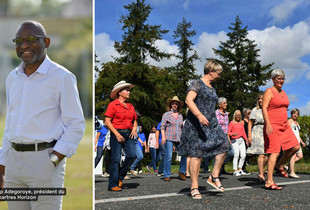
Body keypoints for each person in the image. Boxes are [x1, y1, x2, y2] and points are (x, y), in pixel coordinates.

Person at [0, 20, 85, 209]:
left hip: (44, 162)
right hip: (14, 164)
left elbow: (76, 123)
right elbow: (11, 124)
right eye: (18, 41)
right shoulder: (12, 78)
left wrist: (53, 160)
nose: (24, 46)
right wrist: (2, 165)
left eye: (31, 39)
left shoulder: (62, 77)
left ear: (46, 42)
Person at [179, 60, 229, 199]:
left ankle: (214, 176)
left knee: (225, 145)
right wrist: (199, 115)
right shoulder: (197, 83)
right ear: (211, 71)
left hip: (211, 123)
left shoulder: (213, 88)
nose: (219, 76)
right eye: (218, 73)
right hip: (196, 124)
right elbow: (189, 100)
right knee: (196, 155)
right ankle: (194, 187)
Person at [262, 69, 300, 190]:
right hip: (272, 125)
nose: (281, 81)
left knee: (295, 146)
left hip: (284, 125)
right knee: (274, 152)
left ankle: (280, 165)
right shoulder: (269, 91)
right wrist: (267, 124)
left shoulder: (283, 92)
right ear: (273, 79)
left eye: (282, 79)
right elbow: (264, 108)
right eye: (278, 78)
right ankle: (269, 181)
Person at [104, 80, 137, 191]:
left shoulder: (131, 106)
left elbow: (135, 119)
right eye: (127, 90)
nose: (129, 92)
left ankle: (120, 175)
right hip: (116, 133)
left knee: (132, 155)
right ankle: (112, 184)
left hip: (129, 134)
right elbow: (107, 121)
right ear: (120, 92)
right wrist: (117, 134)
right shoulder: (113, 105)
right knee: (116, 159)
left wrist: (134, 128)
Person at [161, 96, 187, 181]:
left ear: (178, 106)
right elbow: (162, 127)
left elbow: (182, 128)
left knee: (184, 154)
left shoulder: (180, 116)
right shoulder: (166, 115)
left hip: (179, 138)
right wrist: (163, 137)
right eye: (173, 103)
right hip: (169, 137)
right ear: (170, 105)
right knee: (169, 156)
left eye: (176, 104)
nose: (175, 105)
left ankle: (182, 171)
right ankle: (167, 174)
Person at [247, 93, 268, 182]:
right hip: (257, 131)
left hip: (266, 131)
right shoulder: (255, 110)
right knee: (261, 154)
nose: (260, 100)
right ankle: (261, 174)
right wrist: (249, 136)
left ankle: (261, 169)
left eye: (262, 98)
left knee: (269, 154)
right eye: (259, 99)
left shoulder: (268, 109)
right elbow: (250, 123)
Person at [228, 110, 249, 176]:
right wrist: (232, 134)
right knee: (236, 154)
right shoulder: (232, 123)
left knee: (243, 155)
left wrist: (246, 140)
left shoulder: (241, 123)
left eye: (239, 115)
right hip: (234, 140)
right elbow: (228, 132)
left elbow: (243, 132)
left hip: (241, 140)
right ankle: (235, 170)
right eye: (237, 115)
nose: (238, 116)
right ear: (235, 116)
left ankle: (240, 169)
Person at [287, 108, 306, 178]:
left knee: (300, 156)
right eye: (294, 113)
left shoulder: (297, 123)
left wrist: (302, 142)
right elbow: (287, 131)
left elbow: (297, 134)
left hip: (298, 142)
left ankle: (288, 166)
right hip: (292, 141)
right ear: (291, 114)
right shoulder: (290, 121)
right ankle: (292, 172)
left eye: (297, 114)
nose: (295, 115)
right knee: (293, 155)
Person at [242, 108, 251, 173]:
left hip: (250, 138)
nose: (250, 115)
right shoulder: (243, 122)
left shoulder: (251, 121)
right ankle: (242, 167)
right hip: (244, 138)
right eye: (248, 113)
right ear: (245, 114)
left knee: (249, 153)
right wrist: (245, 139)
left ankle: (245, 164)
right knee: (244, 153)